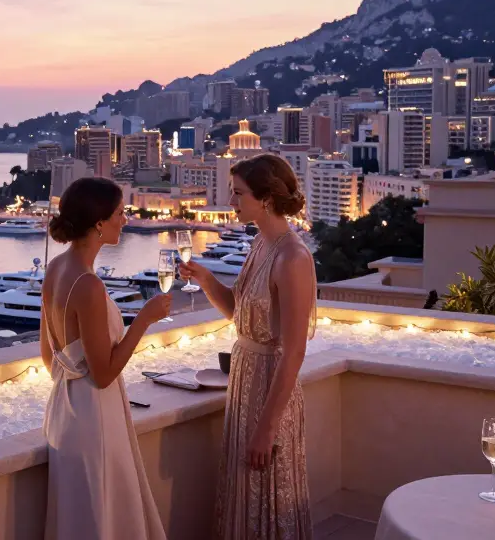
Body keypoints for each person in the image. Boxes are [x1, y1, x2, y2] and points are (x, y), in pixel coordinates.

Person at [181, 154, 317, 539]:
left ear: (267, 198)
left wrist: (267, 428)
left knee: (269, 489)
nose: (232, 201)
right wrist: (206, 279)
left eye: (239, 193)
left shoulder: (293, 257)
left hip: (270, 389)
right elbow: (239, 314)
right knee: (245, 490)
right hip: (244, 382)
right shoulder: (260, 243)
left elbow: (293, 351)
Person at [39, 177, 171, 540]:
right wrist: (144, 318)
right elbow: (104, 375)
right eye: (119, 213)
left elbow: (48, 354)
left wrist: (72, 386)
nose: (125, 220)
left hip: (65, 412)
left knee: (82, 517)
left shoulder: (55, 269)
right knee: (103, 515)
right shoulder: (88, 285)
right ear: (99, 223)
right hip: (95, 416)